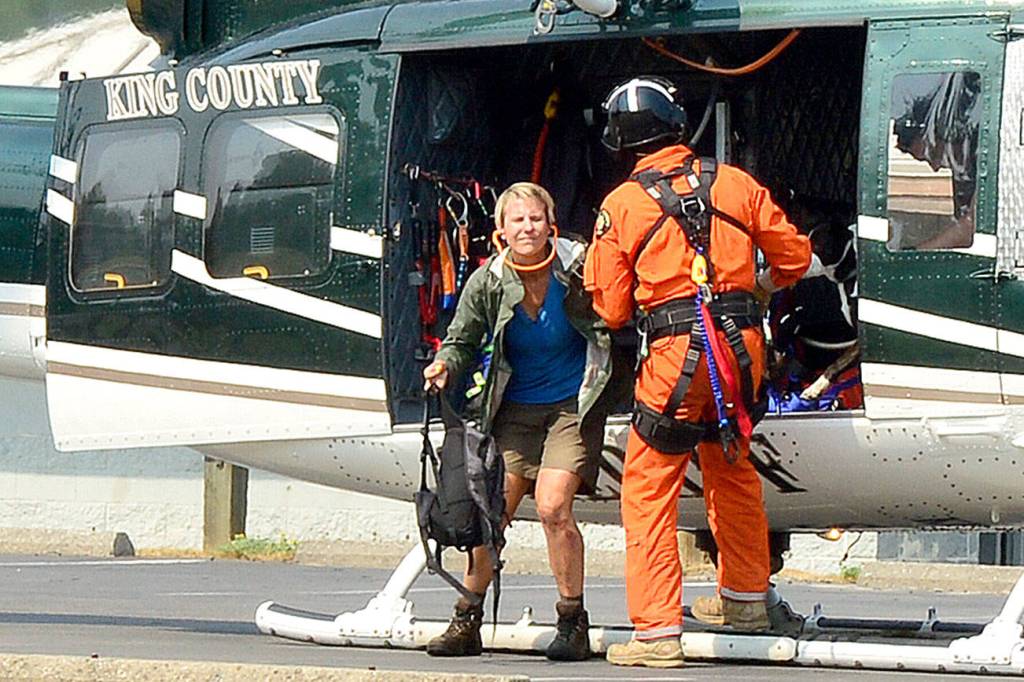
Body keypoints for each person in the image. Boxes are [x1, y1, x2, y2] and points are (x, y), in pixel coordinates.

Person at [584, 76, 812, 668]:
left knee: (648, 491)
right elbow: (795, 256)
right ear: (675, 124)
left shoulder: (622, 206)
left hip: (674, 360)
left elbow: (611, 309)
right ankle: (746, 599)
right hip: (740, 356)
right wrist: (755, 289)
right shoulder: (734, 183)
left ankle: (657, 632)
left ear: (621, 139)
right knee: (732, 470)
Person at [422, 181, 612, 661]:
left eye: (535, 218)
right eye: (517, 220)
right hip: (513, 411)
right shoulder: (487, 280)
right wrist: (444, 365)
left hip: (573, 405)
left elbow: (619, 308)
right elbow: (461, 340)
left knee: (552, 507)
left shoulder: (579, 266)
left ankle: (572, 622)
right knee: (490, 515)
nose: (527, 227)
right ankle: (467, 619)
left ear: (551, 224)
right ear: (501, 230)